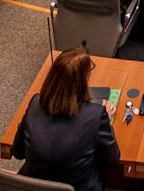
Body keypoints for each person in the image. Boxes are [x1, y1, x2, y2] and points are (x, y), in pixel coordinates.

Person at [11, 46, 120, 191]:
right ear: (82, 82)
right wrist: (107, 120)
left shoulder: (35, 103)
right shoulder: (95, 115)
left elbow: (18, 152)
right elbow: (112, 161)